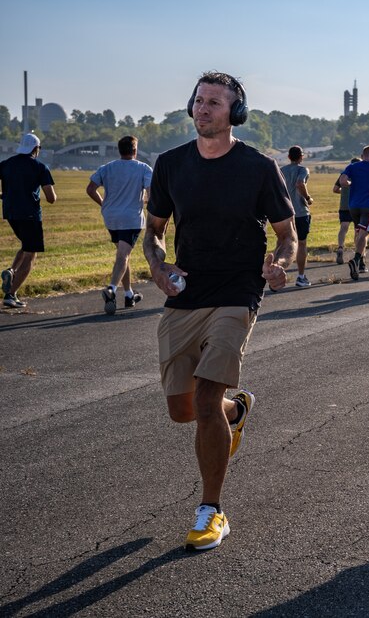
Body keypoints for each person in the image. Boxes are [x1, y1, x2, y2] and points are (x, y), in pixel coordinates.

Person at [143, 71, 295, 551]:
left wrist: (281, 266)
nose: (203, 109)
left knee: (206, 400)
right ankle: (238, 409)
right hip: (186, 293)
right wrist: (156, 264)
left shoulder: (257, 166)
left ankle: (211, 511)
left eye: (214, 102)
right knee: (181, 410)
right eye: (199, 101)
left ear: (236, 113)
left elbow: (286, 235)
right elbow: (154, 232)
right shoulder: (169, 165)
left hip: (237, 291)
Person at [86, 135, 152, 313]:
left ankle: (129, 294)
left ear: (119, 150)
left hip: (111, 217)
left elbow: (90, 189)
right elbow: (150, 192)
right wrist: (147, 201)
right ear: (135, 151)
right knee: (123, 256)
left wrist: (103, 203)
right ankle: (112, 289)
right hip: (131, 218)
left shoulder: (107, 167)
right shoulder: (143, 168)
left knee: (123, 255)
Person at [0, 133, 56, 309]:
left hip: (10, 213)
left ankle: (11, 271)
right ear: (35, 149)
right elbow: (51, 198)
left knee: (26, 245)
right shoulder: (40, 167)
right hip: (30, 214)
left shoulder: (6, 164)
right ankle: (11, 294)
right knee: (32, 253)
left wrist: (5, 195)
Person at [337, 145, 369, 280]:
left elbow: (342, 181)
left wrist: (350, 183)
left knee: (358, 232)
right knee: (364, 235)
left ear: (362, 154)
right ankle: (357, 259)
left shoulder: (353, 167)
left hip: (353, 205)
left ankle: (360, 263)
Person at [280, 145, 313, 287]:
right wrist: (308, 197)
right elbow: (300, 183)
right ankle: (300, 276)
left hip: (284, 212)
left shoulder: (281, 170)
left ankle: (277, 272)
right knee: (301, 243)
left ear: (288, 157)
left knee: (282, 243)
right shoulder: (303, 170)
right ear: (301, 157)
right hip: (299, 211)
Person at [332, 156, 360, 264]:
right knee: (357, 230)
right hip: (357, 205)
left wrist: (344, 192)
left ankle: (340, 247)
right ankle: (358, 252)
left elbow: (335, 189)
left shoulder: (343, 175)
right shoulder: (360, 176)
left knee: (343, 227)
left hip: (344, 205)